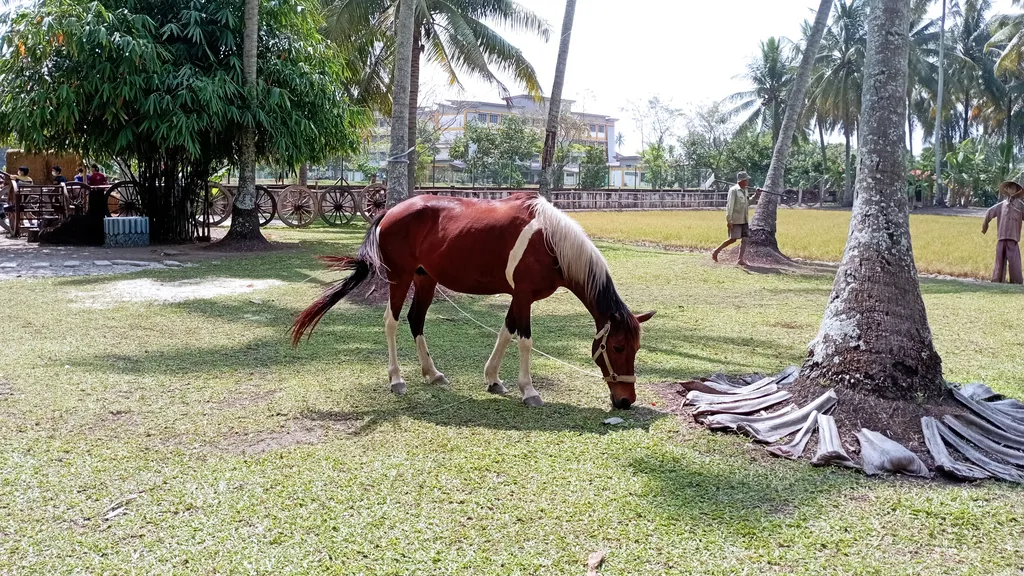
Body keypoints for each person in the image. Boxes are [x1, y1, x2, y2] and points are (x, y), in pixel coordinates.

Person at [712, 171, 759, 266]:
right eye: (746, 180)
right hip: (736, 219)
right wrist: (729, 220)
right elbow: (729, 206)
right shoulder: (733, 190)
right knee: (733, 239)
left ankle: (740, 259)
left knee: (745, 239)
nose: (747, 182)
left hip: (744, 219)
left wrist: (756, 195)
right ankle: (716, 251)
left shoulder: (745, 190)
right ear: (741, 181)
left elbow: (748, 203)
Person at [983, 179, 1024, 284]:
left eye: (1013, 188)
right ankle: (997, 281)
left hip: (1013, 238)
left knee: (1014, 262)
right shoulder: (1001, 205)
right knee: (999, 261)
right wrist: (985, 226)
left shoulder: (1021, 206)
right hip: (1001, 237)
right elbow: (989, 212)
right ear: (1006, 189)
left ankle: (1016, 282)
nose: (1011, 189)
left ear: (1017, 190)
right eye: (1009, 187)